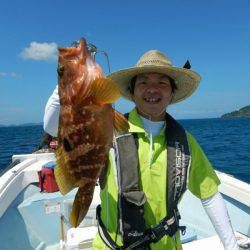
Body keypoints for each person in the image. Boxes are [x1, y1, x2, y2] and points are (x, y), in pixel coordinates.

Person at [43, 50, 239, 250]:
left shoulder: (186, 143)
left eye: (162, 83)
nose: (152, 89)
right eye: (143, 82)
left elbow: (210, 195)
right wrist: (71, 77)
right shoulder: (108, 127)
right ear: (132, 91)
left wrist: (231, 246)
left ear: (171, 93)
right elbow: (51, 126)